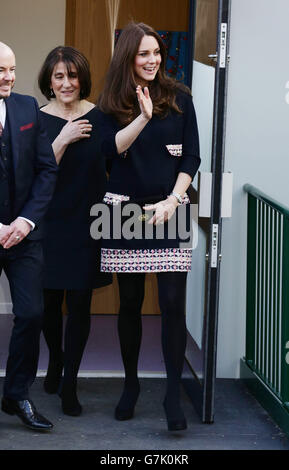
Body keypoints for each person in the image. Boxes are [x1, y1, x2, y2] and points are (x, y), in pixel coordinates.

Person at [97, 22, 200, 431]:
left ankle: (173, 394)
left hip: (172, 208)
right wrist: (140, 118)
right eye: (143, 53)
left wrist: (174, 200)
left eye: (156, 52)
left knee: (173, 305)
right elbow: (109, 150)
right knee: (130, 303)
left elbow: (191, 157)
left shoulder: (179, 98)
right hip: (124, 212)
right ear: (128, 57)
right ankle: (131, 385)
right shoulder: (108, 103)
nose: (152, 59)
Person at [38, 46, 111, 416]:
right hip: (48, 224)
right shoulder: (35, 120)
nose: (67, 83)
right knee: (48, 305)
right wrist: (63, 138)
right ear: (49, 82)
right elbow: (34, 173)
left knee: (80, 306)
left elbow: (118, 155)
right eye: (59, 76)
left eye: (73, 75)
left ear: (83, 77)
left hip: (87, 224)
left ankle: (70, 384)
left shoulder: (101, 117)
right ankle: (56, 360)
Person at [0, 42, 58, 430]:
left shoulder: (26, 108)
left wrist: (26, 222)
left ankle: (17, 394)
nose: (9, 77)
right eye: (1, 71)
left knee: (33, 313)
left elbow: (47, 170)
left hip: (24, 234)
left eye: (12, 69)